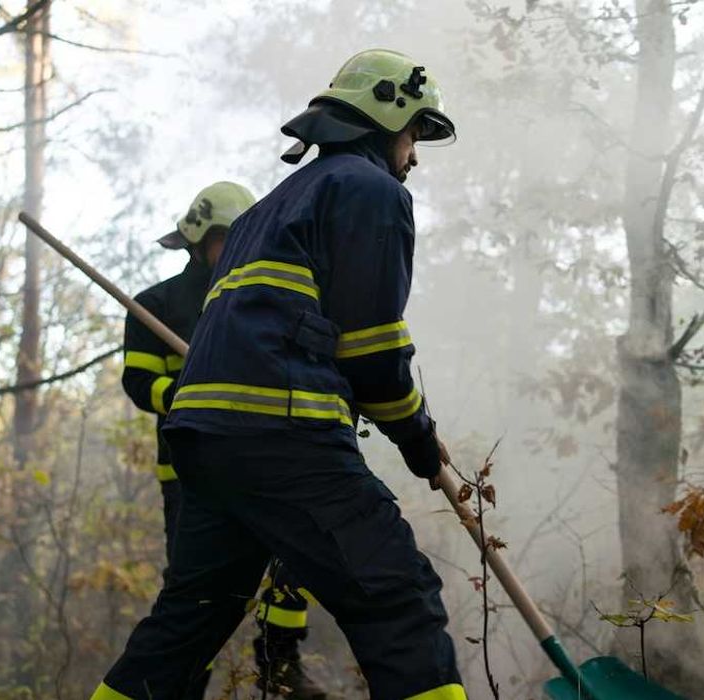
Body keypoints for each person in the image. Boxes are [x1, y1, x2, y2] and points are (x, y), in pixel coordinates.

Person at [158, 48, 465, 700]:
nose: (414, 156)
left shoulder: (266, 209)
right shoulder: (368, 191)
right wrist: (417, 438)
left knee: (183, 629)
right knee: (398, 598)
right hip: (282, 433)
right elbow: (373, 350)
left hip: (205, 443)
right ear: (386, 120)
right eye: (414, 135)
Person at [91, 182, 326, 700]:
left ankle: (280, 659)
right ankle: (180, 686)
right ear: (197, 240)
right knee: (194, 597)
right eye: (226, 237)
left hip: (264, 462)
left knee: (295, 559)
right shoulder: (156, 305)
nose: (236, 247)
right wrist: (184, 390)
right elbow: (138, 382)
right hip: (190, 472)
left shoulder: (263, 300)